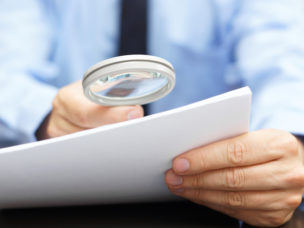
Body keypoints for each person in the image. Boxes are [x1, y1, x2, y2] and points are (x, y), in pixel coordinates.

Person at [1, 0, 304, 226]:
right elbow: (8, 68)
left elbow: (286, 63)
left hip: (209, 206)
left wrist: (288, 147)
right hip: (62, 201)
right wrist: (48, 118)